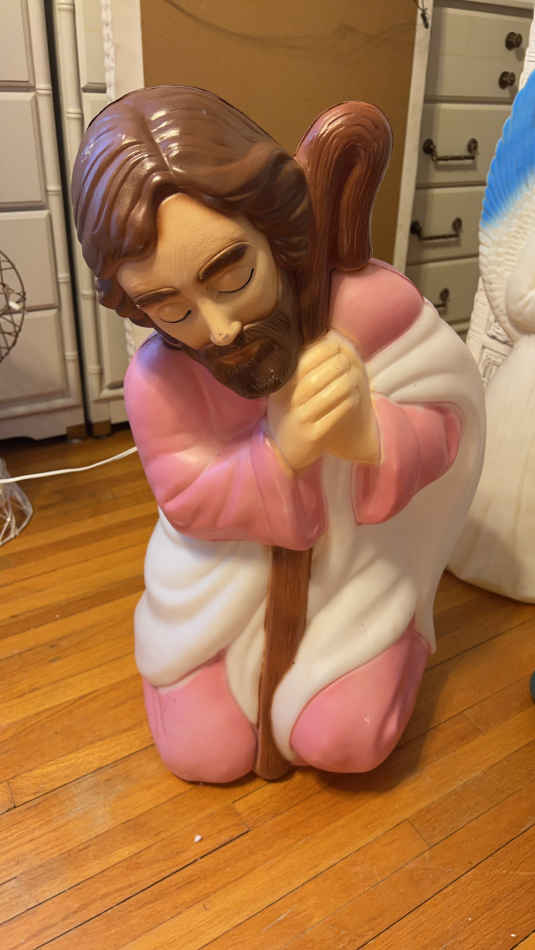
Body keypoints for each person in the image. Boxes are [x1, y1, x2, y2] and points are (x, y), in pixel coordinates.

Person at [72, 86, 485, 783]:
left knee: (345, 740)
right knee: (205, 754)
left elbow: (450, 424)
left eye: (231, 273)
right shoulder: (159, 381)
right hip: (219, 583)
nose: (218, 328)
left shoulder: (368, 308)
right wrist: (280, 454)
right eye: (171, 308)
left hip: (354, 575)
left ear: (272, 228)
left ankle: (395, 646)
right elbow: (188, 498)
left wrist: (368, 432)